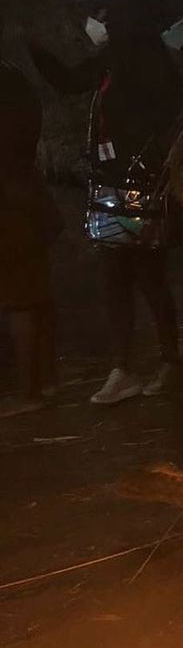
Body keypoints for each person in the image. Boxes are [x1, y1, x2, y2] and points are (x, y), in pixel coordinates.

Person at [27, 0, 183, 404]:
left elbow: (172, 110)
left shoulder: (149, 59)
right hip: (110, 184)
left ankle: (172, 362)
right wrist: (35, 48)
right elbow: (69, 80)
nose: (98, 21)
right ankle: (123, 369)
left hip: (141, 185)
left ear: (123, 14)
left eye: (104, 13)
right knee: (113, 274)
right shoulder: (112, 58)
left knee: (148, 273)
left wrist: (141, 149)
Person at [0, 59, 60, 417]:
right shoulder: (16, 78)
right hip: (29, 196)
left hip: (10, 204)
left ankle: (28, 392)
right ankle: (48, 379)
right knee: (36, 294)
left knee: (19, 299)